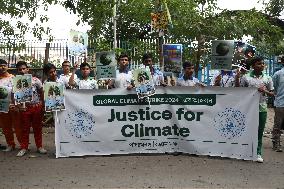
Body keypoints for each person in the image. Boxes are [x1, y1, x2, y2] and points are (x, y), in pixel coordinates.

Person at [236, 56, 274, 163]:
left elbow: (272, 93)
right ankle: (245, 152)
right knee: (246, 129)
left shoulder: (268, 78)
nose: (262, 65)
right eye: (259, 63)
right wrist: (236, 79)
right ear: (253, 66)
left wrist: (264, 91)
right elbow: (239, 92)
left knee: (259, 131)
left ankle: (258, 153)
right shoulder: (246, 77)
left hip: (262, 108)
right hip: (248, 108)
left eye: (262, 63)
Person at [15, 61, 47, 157]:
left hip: (36, 107)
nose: (22, 71)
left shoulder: (35, 80)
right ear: (17, 71)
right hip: (25, 108)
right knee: (24, 129)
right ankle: (24, 147)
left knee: (37, 128)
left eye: (24, 68)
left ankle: (39, 147)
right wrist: (18, 106)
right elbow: (14, 95)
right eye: (19, 69)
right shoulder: (16, 81)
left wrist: (42, 103)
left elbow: (42, 92)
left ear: (28, 69)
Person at [0, 59, 22, 152]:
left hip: (13, 106)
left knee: (18, 126)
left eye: (4, 65)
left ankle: (23, 144)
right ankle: (10, 144)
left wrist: (17, 104)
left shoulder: (13, 78)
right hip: (2, 107)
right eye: (0, 66)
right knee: (6, 127)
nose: (2, 67)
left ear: (7, 66)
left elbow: (18, 91)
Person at [271, 56, 284, 152]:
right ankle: (276, 143)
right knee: (278, 124)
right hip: (280, 102)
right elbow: (274, 88)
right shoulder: (278, 74)